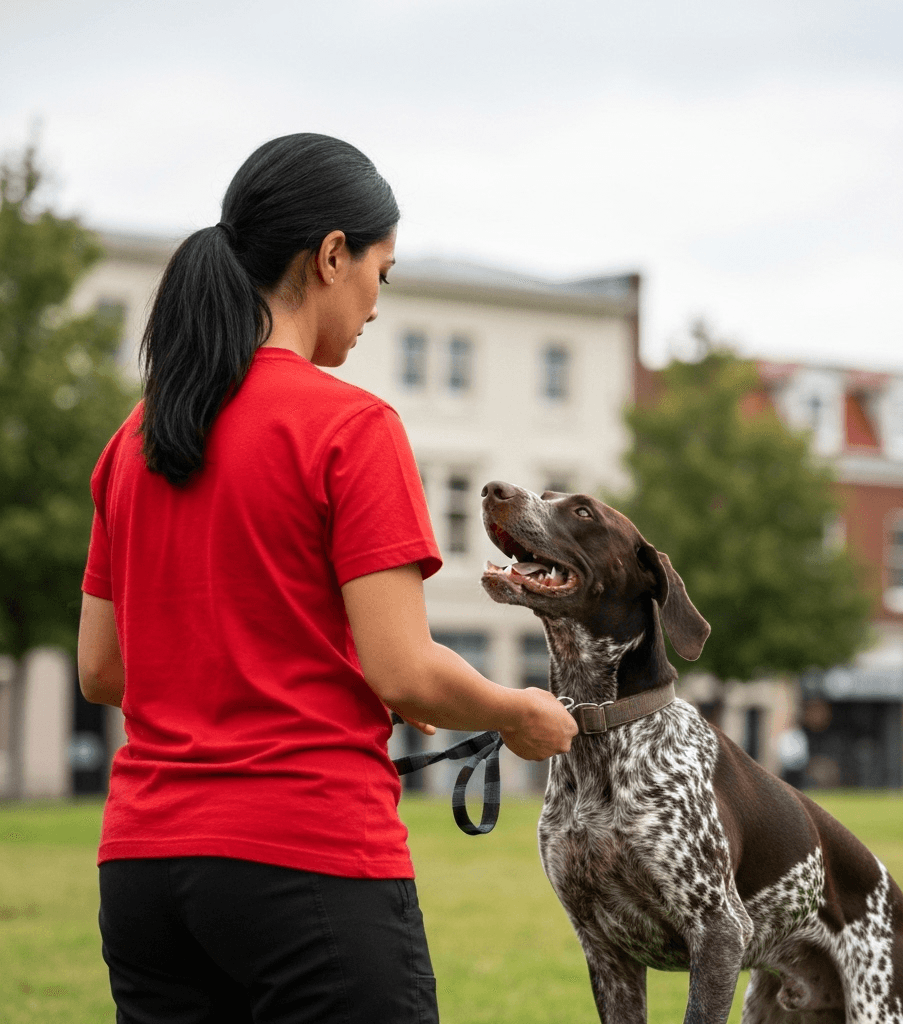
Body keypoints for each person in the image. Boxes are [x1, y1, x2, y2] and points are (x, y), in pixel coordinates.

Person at [77, 133, 577, 1024]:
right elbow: (405, 670)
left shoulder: (136, 438)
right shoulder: (350, 426)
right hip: (306, 860)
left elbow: (104, 673)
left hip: (145, 873)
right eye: (381, 274)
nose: (378, 305)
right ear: (332, 255)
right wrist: (517, 712)